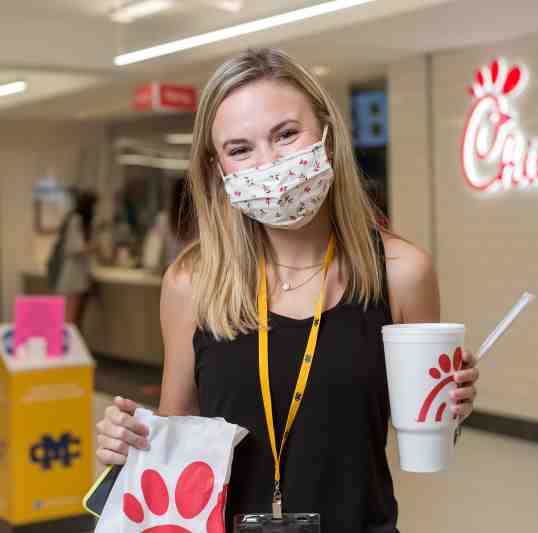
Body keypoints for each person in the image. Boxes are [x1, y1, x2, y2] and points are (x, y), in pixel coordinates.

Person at [95, 48, 480, 532]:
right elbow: (178, 431)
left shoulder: (402, 272)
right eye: (240, 149)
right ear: (217, 169)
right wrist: (128, 437)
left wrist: (452, 403)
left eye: (285, 134)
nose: (269, 163)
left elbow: (429, 424)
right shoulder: (193, 283)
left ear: (326, 133)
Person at [54, 189, 98, 329]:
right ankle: (68, 348)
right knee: (70, 321)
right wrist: (93, 247)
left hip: (79, 277)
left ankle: (73, 347)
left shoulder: (80, 221)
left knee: (75, 320)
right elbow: (74, 247)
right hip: (73, 276)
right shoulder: (76, 220)